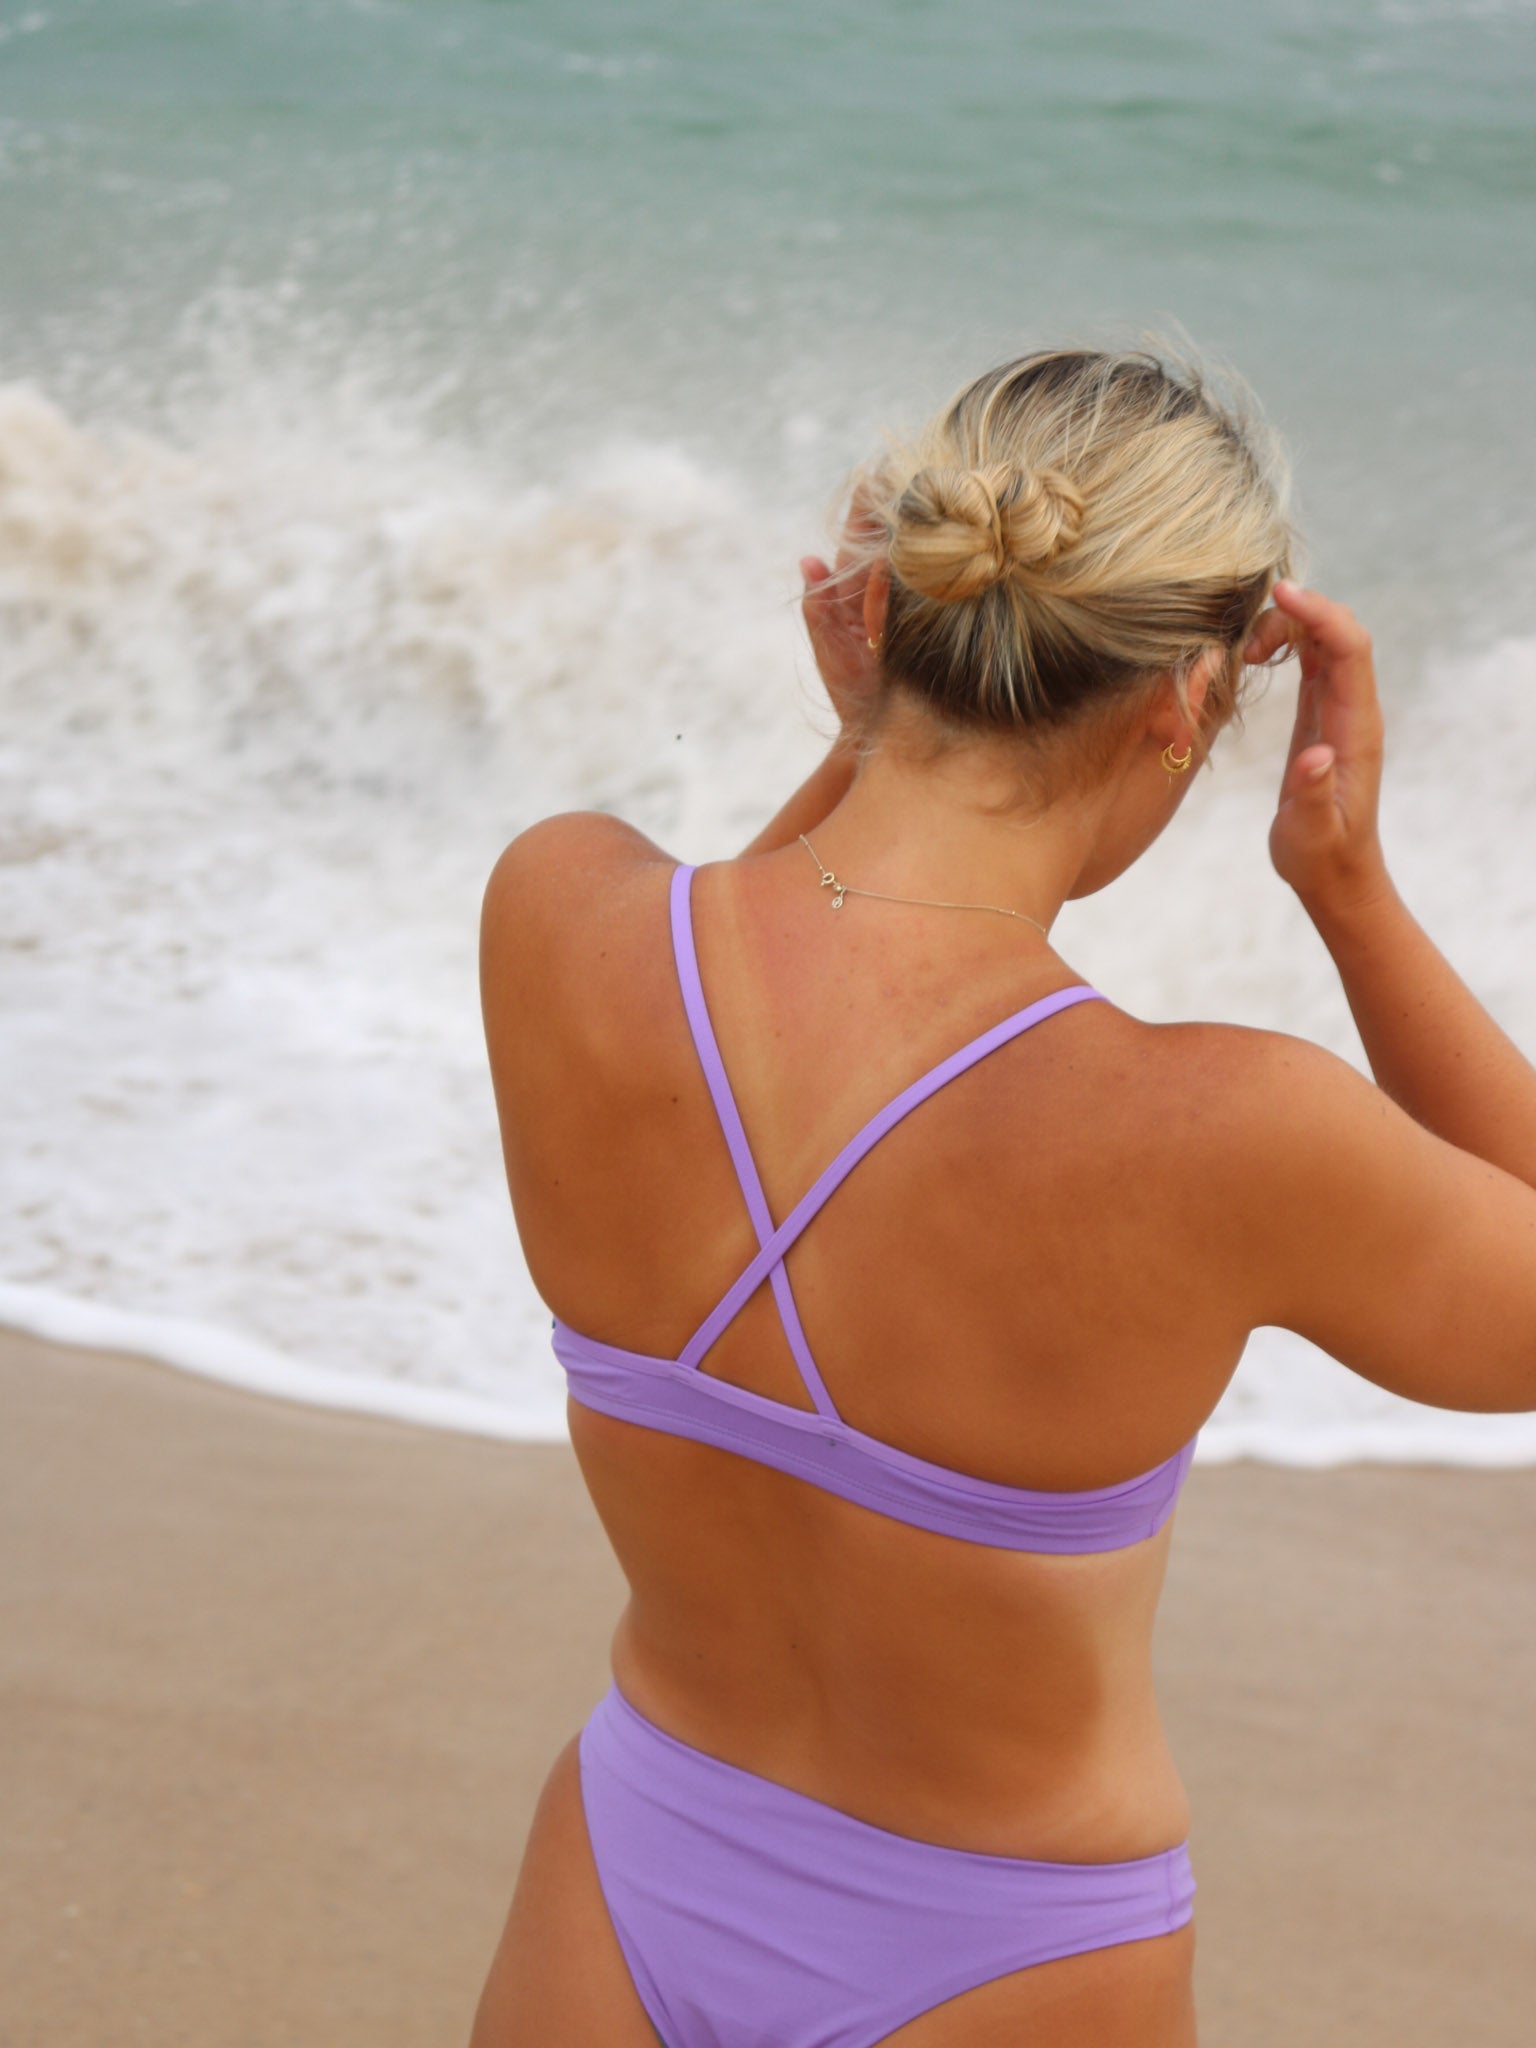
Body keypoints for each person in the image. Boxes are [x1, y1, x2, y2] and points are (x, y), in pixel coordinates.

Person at [469, 346, 1536, 2047]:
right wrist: (1350, 889)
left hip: (632, 1865)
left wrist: (859, 748)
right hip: (1011, 1957)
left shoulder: (561, 918)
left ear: (885, 619)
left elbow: (761, 948)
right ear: (1186, 703)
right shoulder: (1223, 1132)